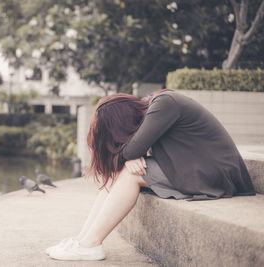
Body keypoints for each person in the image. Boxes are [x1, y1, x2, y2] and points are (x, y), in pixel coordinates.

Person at [46, 89, 256, 261]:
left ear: (122, 124)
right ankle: (82, 240)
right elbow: (133, 149)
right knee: (122, 172)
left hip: (214, 174)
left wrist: (130, 155)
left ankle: (90, 245)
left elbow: (132, 150)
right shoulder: (158, 106)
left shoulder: (164, 103)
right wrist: (130, 155)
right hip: (196, 167)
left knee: (129, 174)